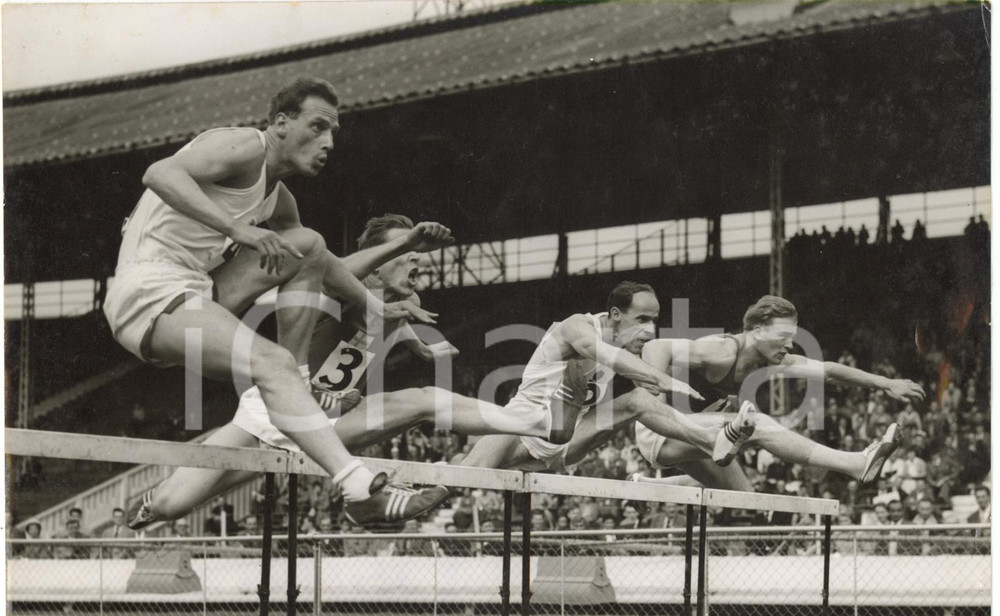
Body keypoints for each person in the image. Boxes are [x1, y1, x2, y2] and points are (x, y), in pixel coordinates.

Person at [111, 78, 449, 532]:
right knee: (271, 362)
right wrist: (238, 231)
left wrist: (377, 305)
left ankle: (295, 381)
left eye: (333, 132)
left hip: (199, 290)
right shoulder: (242, 146)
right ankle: (359, 489)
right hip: (148, 291)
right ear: (281, 123)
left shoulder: (277, 196)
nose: (328, 142)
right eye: (317, 127)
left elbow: (323, 264)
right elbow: (159, 173)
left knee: (308, 243)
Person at [126, 213, 589, 531]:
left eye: (418, 259)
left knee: (423, 398)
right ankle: (149, 504)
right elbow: (331, 269)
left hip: (324, 424)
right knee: (175, 504)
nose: (417, 264)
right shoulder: (341, 290)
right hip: (270, 415)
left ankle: (539, 422)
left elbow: (359, 352)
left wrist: (390, 352)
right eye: (406, 257)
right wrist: (402, 252)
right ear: (379, 261)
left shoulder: (393, 309)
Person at [456, 282, 756, 476]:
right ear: (615, 314)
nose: (651, 330)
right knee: (461, 478)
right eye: (642, 320)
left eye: (655, 320)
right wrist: (658, 377)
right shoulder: (576, 327)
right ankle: (426, 484)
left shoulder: (627, 348)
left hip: (565, 444)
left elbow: (654, 408)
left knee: (638, 401)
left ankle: (711, 440)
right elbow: (601, 353)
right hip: (521, 429)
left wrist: (712, 410)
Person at [634, 295, 924, 490]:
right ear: (758, 331)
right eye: (783, 337)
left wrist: (885, 383)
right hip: (662, 431)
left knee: (747, 500)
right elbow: (654, 347)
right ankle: (856, 463)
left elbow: (829, 371)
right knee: (756, 423)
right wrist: (655, 404)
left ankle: (648, 487)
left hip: (699, 434)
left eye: (793, 339)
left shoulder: (774, 360)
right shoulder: (722, 351)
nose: (789, 346)